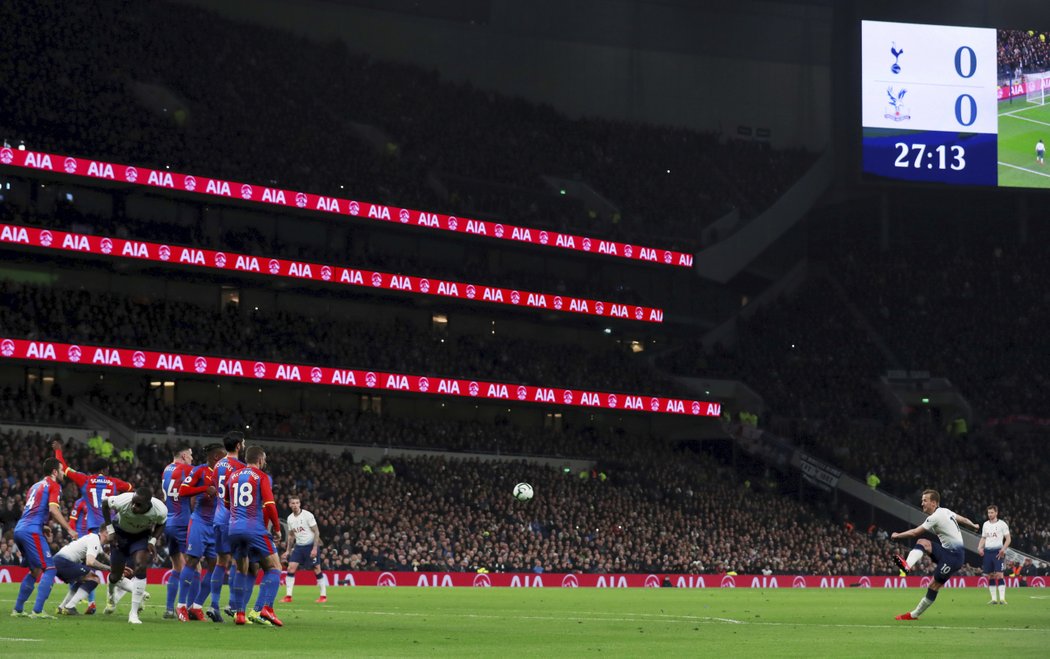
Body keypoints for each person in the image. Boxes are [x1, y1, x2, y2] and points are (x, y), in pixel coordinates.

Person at [891, 489, 980, 621]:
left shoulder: (935, 517)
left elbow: (915, 532)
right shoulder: (946, 511)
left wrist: (898, 535)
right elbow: (963, 519)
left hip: (954, 558)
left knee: (933, 586)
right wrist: (974, 525)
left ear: (933, 503)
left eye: (925, 501)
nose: (922, 503)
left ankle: (913, 615)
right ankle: (906, 566)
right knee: (923, 543)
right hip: (946, 552)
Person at [11, 457, 76, 618]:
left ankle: (18, 609)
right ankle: (38, 611)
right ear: (54, 472)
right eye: (61, 470)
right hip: (31, 531)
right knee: (50, 569)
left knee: (35, 570)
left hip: (20, 529)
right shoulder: (54, 485)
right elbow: (53, 510)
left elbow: (32, 510)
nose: (63, 473)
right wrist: (69, 529)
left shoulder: (35, 486)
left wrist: (43, 526)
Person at [227, 446, 283, 626]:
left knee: (246, 569)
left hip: (234, 528)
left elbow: (227, 503)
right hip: (253, 527)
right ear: (260, 460)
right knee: (274, 567)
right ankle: (266, 608)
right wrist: (277, 527)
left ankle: (240, 613)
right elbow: (269, 504)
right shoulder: (261, 477)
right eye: (264, 459)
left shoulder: (233, 477)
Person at [176, 443, 226, 622]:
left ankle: (196, 606)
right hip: (199, 522)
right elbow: (183, 491)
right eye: (223, 456)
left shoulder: (225, 473)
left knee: (216, 565)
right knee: (192, 560)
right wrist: (204, 489)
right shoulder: (199, 471)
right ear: (216, 457)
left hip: (217, 525)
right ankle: (181, 606)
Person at [101, 491, 168, 624]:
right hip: (119, 534)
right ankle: (111, 596)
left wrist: (153, 541)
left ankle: (133, 614)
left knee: (141, 567)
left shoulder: (159, 509)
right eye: (133, 502)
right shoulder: (123, 500)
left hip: (140, 537)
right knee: (115, 576)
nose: (133, 506)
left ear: (148, 505)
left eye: (138, 505)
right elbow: (104, 503)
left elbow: (162, 523)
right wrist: (110, 530)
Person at [211, 431, 246, 619]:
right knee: (238, 563)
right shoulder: (241, 467)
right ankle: (232, 604)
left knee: (220, 562)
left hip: (218, 518)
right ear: (239, 445)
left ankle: (214, 605)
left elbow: (215, 489)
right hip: (234, 519)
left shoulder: (217, 465)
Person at [161, 445, 194, 619]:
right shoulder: (186, 469)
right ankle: (189, 607)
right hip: (182, 522)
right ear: (183, 455)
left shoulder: (166, 469)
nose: (192, 458)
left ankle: (168, 608)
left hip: (168, 521)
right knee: (194, 566)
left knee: (176, 566)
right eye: (190, 455)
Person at [54, 527, 113, 615]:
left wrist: (118, 567)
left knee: (82, 581)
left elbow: (103, 556)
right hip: (64, 562)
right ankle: (69, 607)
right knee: (94, 579)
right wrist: (109, 569)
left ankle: (62, 607)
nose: (114, 536)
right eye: (112, 533)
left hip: (58, 561)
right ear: (105, 532)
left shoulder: (94, 539)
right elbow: (90, 562)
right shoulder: (94, 540)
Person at [281, 496, 328, 604]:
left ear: (300, 504)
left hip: (310, 545)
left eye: (297, 503)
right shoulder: (290, 518)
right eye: (293, 503)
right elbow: (291, 536)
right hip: (299, 546)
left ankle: (323, 596)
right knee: (290, 568)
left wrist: (315, 548)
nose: (295, 505)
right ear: (290, 505)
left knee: (316, 569)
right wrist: (288, 551)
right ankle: (288, 596)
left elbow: (316, 532)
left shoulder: (307, 515)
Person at [68, 495, 97, 614]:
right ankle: (79, 603)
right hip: (80, 539)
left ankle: (90, 604)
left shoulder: (96, 504)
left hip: (90, 540)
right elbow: (72, 520)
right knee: (75, 573)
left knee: (88, 572)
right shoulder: (80, 502)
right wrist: (74, 536)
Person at [978, 504, 1011, 604]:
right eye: (989, 513)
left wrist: (1003, 549)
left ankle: (1002, 599)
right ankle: (993, 599)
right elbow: (984, 538)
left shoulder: (1002, 524)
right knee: (991, 576)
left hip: (998, 552)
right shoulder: (985, 524)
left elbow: (1008, 539)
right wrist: (979, 547)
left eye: (992, 512)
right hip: (987, 552)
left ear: (996, 513)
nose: (990, 514)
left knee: (999, 575)